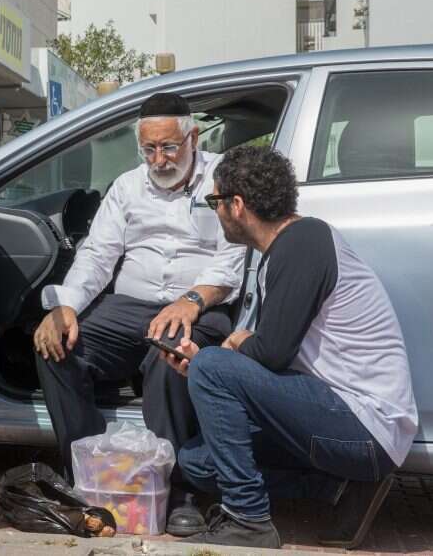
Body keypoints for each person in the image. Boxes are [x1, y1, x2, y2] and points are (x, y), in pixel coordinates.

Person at [164, 146, 418, 549]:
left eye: (216, 202)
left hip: (364, 426)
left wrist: (217, 361)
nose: (216, 212)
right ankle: (335, 487)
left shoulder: (305, 241)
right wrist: (205, 362)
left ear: (237, 204)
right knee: (196, 461)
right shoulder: (281, 251)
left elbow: (272, 353)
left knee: (212, 367)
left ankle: (247, 518)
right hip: (335, 419)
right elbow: (266, 360)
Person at [33, 92, 246, 537]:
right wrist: (66, 305)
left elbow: (232, 260)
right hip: (128, 306)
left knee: (174, 357)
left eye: (169, 147)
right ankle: (90, 473)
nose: (159, 158)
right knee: (55, 346)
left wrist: (191, 299)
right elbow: (97, 255)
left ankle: (180, 489)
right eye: (149, 149)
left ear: (192, 137)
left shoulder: (222, 177)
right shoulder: (128, 186)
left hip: (200, 305)